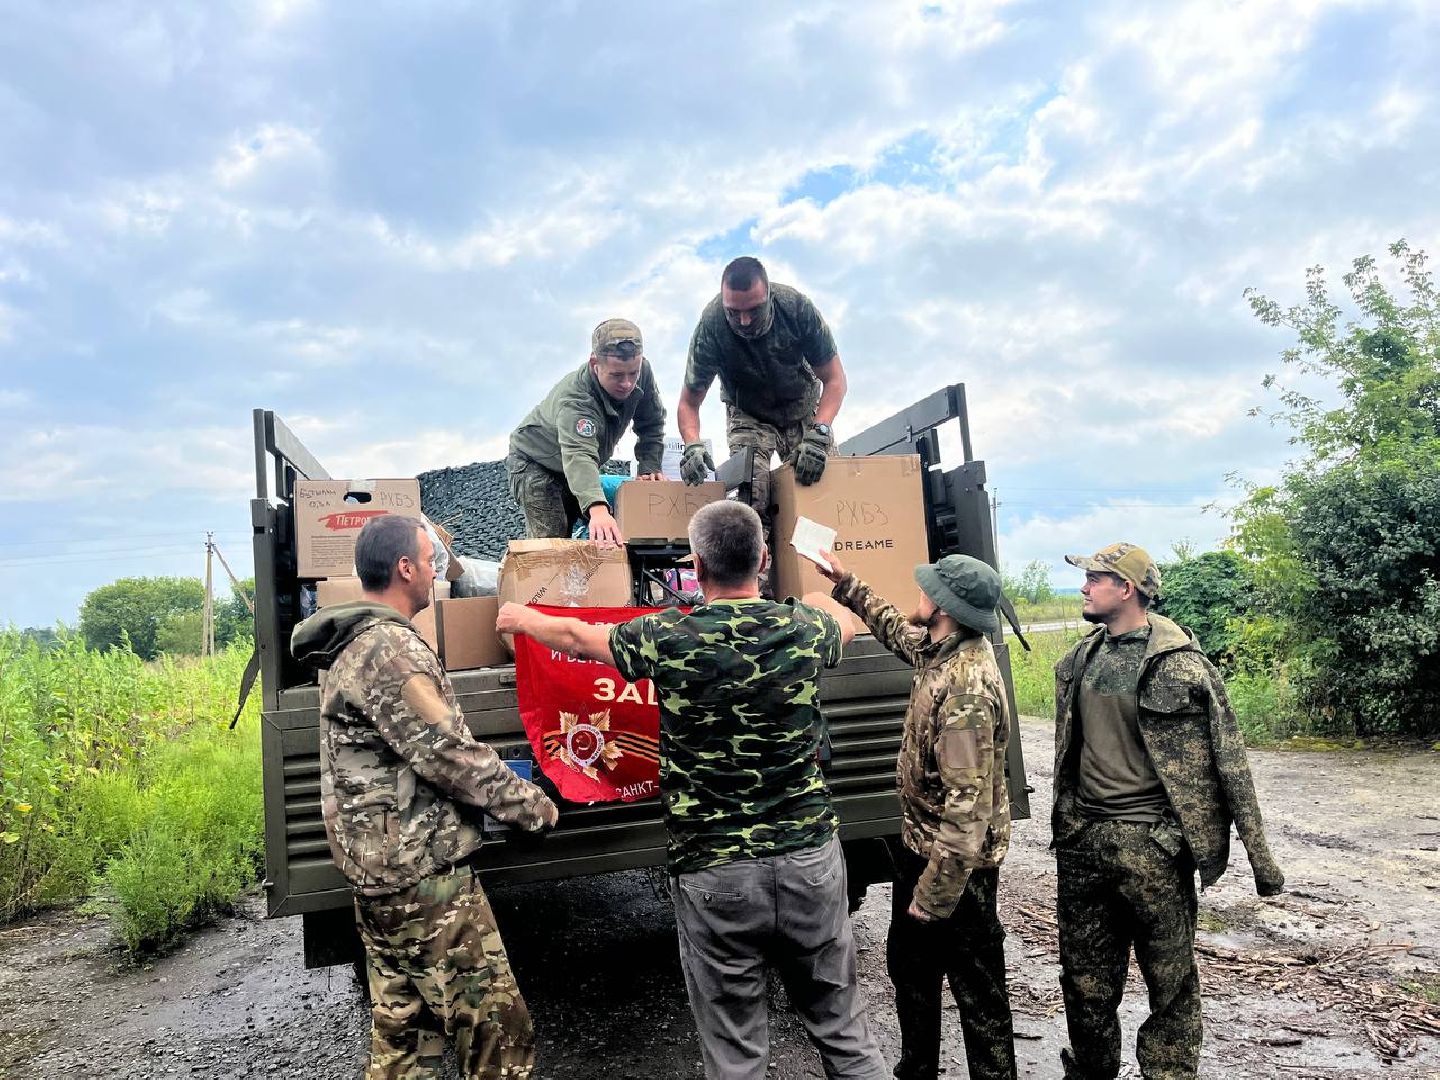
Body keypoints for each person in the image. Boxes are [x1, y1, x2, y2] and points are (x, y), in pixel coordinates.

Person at [497, 500, 888, 1080]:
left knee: (736, 1053)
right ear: (761, 560)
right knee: (843, 1031)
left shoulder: (667, 636)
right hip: (810, 859)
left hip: (714, 870)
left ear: (696, 566)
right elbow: (847, 623)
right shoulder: (804, 629)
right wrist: (823, 589)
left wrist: (519, 617)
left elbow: (580, 638)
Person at [291, 514, 559, 1080]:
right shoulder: (388, 649)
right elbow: (451, 755)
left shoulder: (354, 645)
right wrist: (535, 808)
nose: (438, 570)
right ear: (405, 568)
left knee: (403, 1045)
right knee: (498, 1043)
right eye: (431, 560)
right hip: (424, 884)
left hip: (380, 881)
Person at [1052, 542, 1285, 1079]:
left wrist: (1260, 861)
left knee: (1171, 984)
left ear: (1126, 588)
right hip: (1086, 845)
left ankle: (1169, 1075)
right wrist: (1071, 827)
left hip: (1153, 852)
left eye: (1095, 579)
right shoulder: (1080, 660)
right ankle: (1090, 1070)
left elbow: (1231, 762)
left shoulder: (1181, 667)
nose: (1084, 588)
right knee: (1084, 981)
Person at [815, 550, 1017, 1080]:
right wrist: (846, 583)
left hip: (956, 869)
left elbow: (968, 812)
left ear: (946, 607)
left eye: (928, 589)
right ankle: (918, 1068)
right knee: (911, 971)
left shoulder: (967, 689)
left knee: (978, 991)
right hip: (920, 850)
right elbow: (896, 631)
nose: (918, 593)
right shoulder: (941, 648)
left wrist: (934, 895)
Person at [676, 256, 848, 572]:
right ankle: (757, 594)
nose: (743, 321)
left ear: (768, 294)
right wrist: (692, 445)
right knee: (751, 497)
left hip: (802, 407)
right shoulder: (711, 326)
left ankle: (827, 583)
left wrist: (820, 433)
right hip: (749, 414)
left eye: (753, 310)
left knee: (822, 490)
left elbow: (835, 380)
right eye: (734, 312)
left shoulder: (795, 308)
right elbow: (689, 403)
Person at [507, 317, 667, 546]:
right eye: (616, 375)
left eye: (633, 373)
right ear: (595, 364)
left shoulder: (643, 372)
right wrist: (597, 508)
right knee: (552, 544)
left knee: (604, 534)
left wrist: (650, 467)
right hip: (536, 463)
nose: (627, 383)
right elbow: (579, 455)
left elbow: (651, 423)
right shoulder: (576, 399)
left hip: (572, 465)